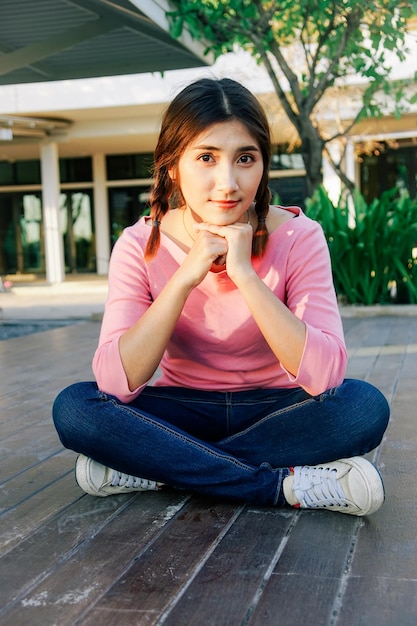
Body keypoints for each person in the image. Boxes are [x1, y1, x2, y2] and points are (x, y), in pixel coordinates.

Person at [53, 77, 390, 516]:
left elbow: (324, 377)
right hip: (182, 407)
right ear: (173, 165)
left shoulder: (300, 236)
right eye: (206, 158)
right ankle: (279, 486)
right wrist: (185, 277)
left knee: (362, 408)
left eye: (245, 158)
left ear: (263, 166)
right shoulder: (139, 244)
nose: (227, 182)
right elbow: (118, 382)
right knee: (76, 408)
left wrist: (245, 275)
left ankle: (160, 466)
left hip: (277, 409)